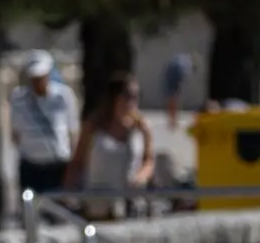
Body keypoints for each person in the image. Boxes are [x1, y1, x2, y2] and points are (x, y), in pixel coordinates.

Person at [66, 72, 156, 220]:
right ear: (115, 98)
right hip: (97, 202)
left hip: (130, 202)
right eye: (128, 96)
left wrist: (140, 177)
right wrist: (69, 191)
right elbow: (77, 161)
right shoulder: (94, 126)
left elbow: (149, 160)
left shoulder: (141, 128)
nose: (132, 102)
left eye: (135, 96)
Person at [9, 51, 79, 195]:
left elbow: (73, 131)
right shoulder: (18, 98)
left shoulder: (64, 96)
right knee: (30, 211)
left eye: (40, 77)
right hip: (31, 166)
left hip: (57, 165)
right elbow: (15, 133)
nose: (37, 82)